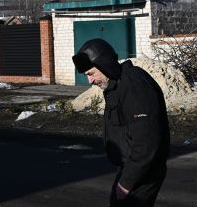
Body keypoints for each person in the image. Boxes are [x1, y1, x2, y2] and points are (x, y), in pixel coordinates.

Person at [72, 38, 170, 207]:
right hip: (132, 168)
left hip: (143, 171)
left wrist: (126, 183)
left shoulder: (133, 85)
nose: (90, 81)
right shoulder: (117, 86)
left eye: (91, 74)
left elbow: (147, 142)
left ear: (104, 65)